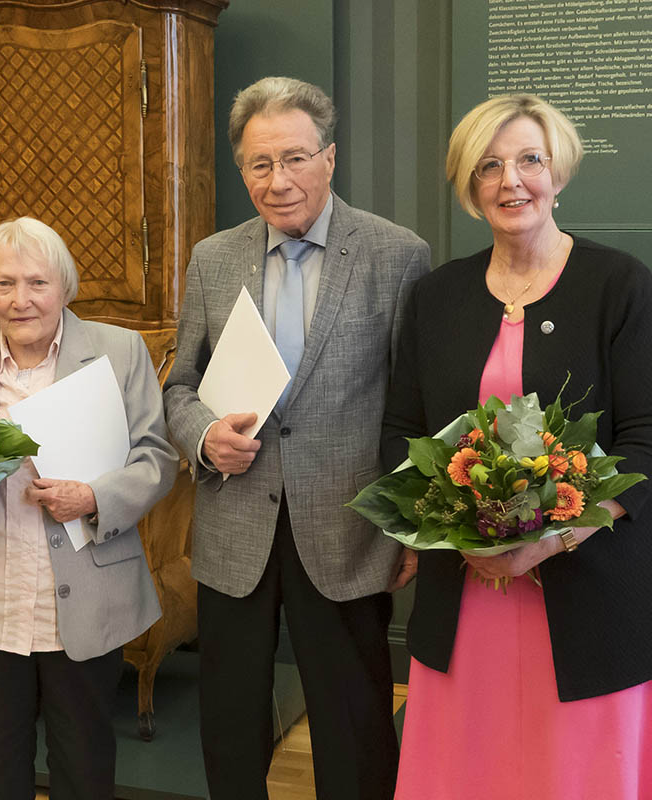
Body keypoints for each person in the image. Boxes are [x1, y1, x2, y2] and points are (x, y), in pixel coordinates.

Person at [382, 94, 652, 798]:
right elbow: (401, 431)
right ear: (469, 185)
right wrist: (455, 535)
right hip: (469, 595)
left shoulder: (618, 284)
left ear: (559, 173)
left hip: (596, 593)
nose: (510, 181)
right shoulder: (436, 297)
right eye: (489, 166)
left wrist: (556, 539)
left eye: (529, 160)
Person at [162, 76, 430, 800]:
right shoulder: (212, 259)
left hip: (347, 526)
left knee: (355, 718)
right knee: (231, 717)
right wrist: (205, 434)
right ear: (242, 168)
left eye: (294, 158)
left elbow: (415, 405)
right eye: (258, 163)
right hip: (235, 523)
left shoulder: (396, 255)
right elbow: (178, 387)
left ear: (330, 157)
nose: (277, 181)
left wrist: (409, 528)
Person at [0, 217, 177, 800]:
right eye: (4, 284)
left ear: (64, 286)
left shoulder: (119, 351)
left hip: (84, 603)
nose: (21, 299)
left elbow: (157, 460)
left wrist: (93, 498)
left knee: (83, 769)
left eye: (36, 283)